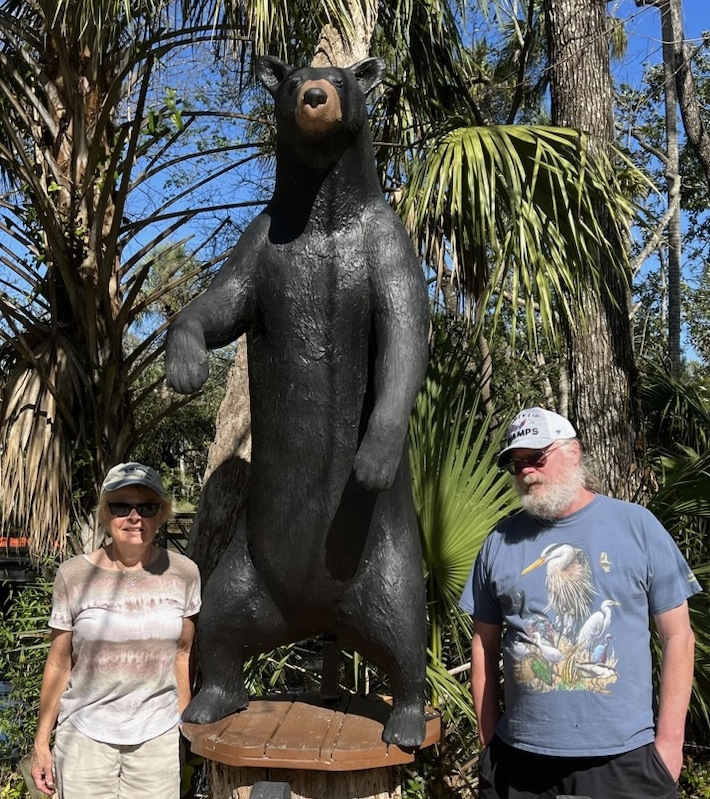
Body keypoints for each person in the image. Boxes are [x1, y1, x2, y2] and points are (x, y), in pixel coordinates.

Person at [460, 406, 702, 799]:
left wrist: (670, 744)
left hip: (625, 761)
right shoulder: (500, 542)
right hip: (519, 764)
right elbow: (484, 644)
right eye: (517, 464)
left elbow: (678, 636)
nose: (526, 471)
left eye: (537, 457)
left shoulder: (637, 527)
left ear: (573, 451)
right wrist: (488, 741)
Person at [30, 462, 201, 799]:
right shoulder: (73, 575)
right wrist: (40, 743)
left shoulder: (184, 573)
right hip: (84, 738)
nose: (134, 517)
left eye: (147, 507)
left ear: (161, 513)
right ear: (105, 513)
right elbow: (59, 663)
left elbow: (183, 654)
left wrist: (183, 724)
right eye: (121, 507)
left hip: (156, 738)